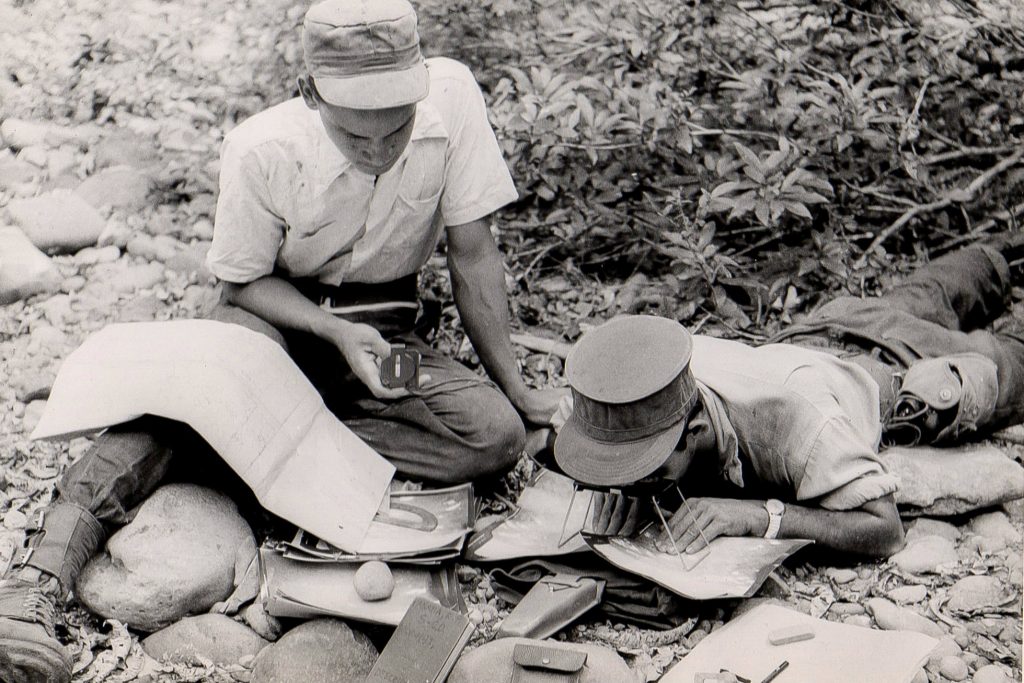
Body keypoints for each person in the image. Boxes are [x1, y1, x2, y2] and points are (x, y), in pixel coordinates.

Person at [0, 2, 563, 681]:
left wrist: (519, 389)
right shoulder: (262, 148)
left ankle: (248, 445)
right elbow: (240, 285)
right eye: (359, 137)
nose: (382, 150)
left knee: (493, 436)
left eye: (398, 129)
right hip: (279, 322)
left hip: (383, 334)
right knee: (185, 403)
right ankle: (35, 585)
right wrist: (329, 329)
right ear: (310, 93)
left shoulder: (453, 100)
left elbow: (473, 255)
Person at [552, 243, 1023, 560]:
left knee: (1014, 361)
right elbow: (565, 431)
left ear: (695, 431)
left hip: (898, 364)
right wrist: (611, 485)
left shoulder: (801, 422)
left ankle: (1002, 254)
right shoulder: (639, 377)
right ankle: (996, 254)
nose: (640, 483)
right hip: (825, 326)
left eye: (648, 468)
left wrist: (763, 516)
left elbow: (886, 530)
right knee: (936, 290)